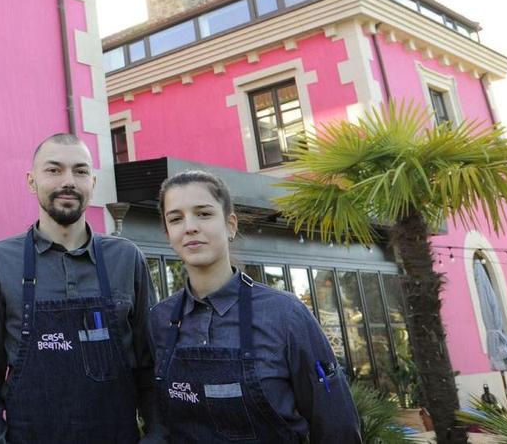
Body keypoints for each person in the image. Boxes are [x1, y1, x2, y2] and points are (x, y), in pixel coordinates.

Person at [0, 133, 165, 443]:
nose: (68, 181)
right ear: (32, 182)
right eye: (54, 170)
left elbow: (151, 368)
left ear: (93, 183)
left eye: (80, 171)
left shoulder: (126, 258)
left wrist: (154, 438)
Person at [150, 171, 361, 443]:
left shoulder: (284, 314)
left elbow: (336, 425)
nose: (189, 226)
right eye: (176, 219)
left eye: (203, 214)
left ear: (230, 225)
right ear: (168, 234)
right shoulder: (160, 320)